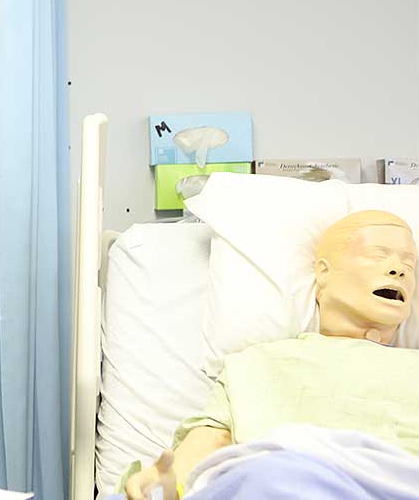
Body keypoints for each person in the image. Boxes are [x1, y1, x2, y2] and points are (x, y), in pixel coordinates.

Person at [122, 210, 419, 500]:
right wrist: (167, 485)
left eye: (410, 263)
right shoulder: (254, 365)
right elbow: (209, 441)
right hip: (268, 481)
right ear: (324, 272)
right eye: (378, 255)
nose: (399, 270)